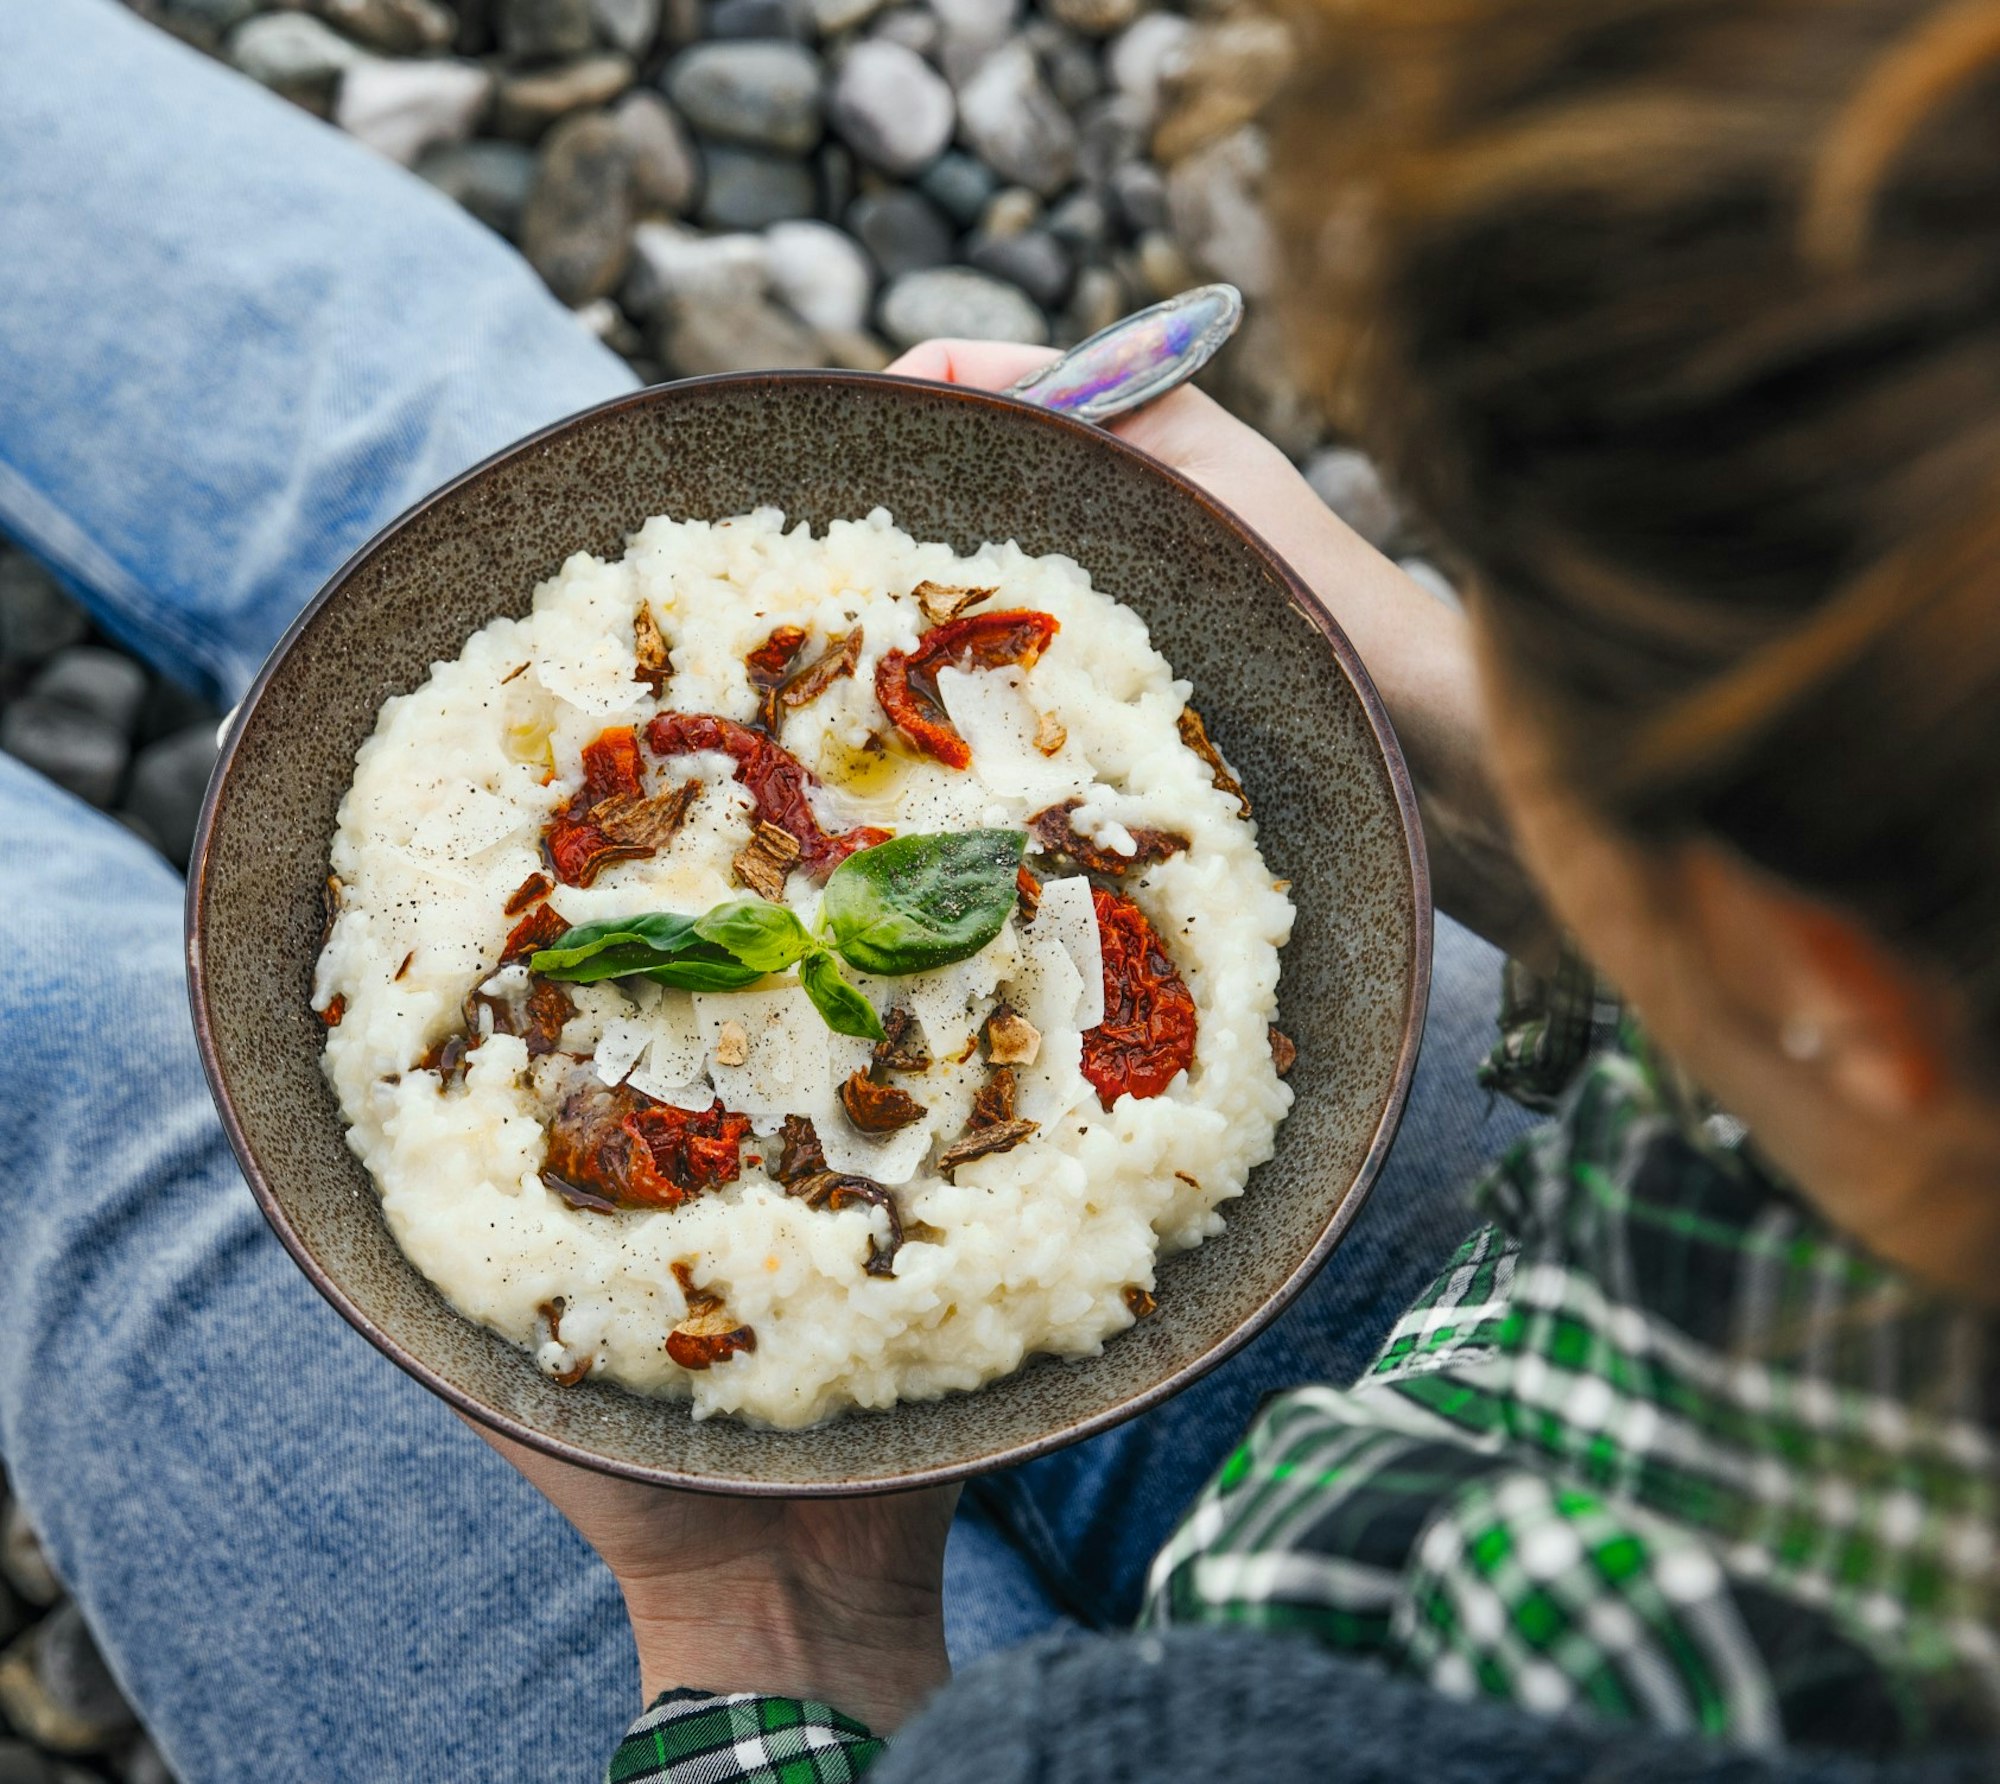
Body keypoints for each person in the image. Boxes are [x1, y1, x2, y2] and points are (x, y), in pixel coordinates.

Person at [0, 7, 1992, 1784]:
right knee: (455, 459)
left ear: (1833, 978)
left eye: (1524, 620)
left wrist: (776, 1630)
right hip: (1654, 1270)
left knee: (114, 1101)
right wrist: (1489, 782)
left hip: (1195, 1667)